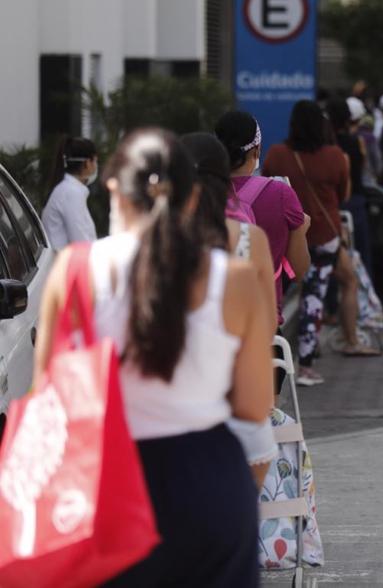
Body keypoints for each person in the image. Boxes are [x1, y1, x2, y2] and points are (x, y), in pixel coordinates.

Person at [33, 128, 274, 586]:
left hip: (106, 484)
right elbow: (254, 404)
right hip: (212, 483)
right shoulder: (235, 280)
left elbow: (53, 399)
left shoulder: (74, 271)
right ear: (193, 196)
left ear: (112, 191)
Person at [180, 131, 280, 488]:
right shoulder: (250, 240)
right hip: (237, 408)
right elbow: (266, 326)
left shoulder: (152, 240)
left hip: (168, 416)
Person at [263, 100, 379, 386]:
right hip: (324, 239)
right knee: (313, 298)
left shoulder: (277, 154)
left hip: (287, 237)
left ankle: (268, 357)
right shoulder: (336, 156)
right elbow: (344, 194)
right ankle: (306, 366)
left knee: (277, 297)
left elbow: (266, 186)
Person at [214, 111, 311, 328]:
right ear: (257, 149)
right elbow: (300, 271)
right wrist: (301, 229)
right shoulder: (280, 193)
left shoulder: (201, 194)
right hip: (263, 320)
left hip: (213, 322)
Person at [328, 97, 373, 275]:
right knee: (360, 258)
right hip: (354, 202)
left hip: (329, 206)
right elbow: (362, 168)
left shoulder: (325, 146)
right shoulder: (356, 142)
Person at [42, 136, 99, 249]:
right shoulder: (71, 193)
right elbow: (81, 242)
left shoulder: (68, 190)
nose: (97, 166)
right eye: (96, 161)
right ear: (87, 163)